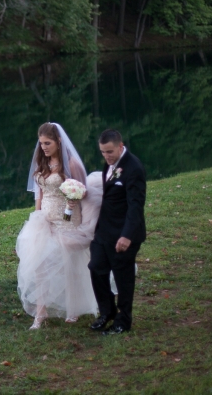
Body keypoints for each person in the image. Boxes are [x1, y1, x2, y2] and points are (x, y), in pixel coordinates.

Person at [16, 123, 104, 329]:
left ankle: (73, 308)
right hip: (45, 217)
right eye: (41, 143)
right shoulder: (42, 163)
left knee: (69, 263)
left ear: (58, 142)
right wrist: (37, 216)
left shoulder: (71, 164)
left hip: (67, 218)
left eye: (48, 143)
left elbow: (84, 191)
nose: (44, 147)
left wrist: (74, 200)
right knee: (39, 264)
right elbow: (39, 193)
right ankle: (41, 312)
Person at [88, 129, 146, 335]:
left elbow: (135, 206)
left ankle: (123, 320)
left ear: (120, 146)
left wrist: (127, 235)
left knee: (123, 277)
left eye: (110, 152)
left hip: (124, 233)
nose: (106, 156)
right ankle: (107, 311)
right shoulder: (110, 164)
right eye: (103, 152)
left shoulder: (134, 168)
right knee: (96, 267)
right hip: (104, 230)